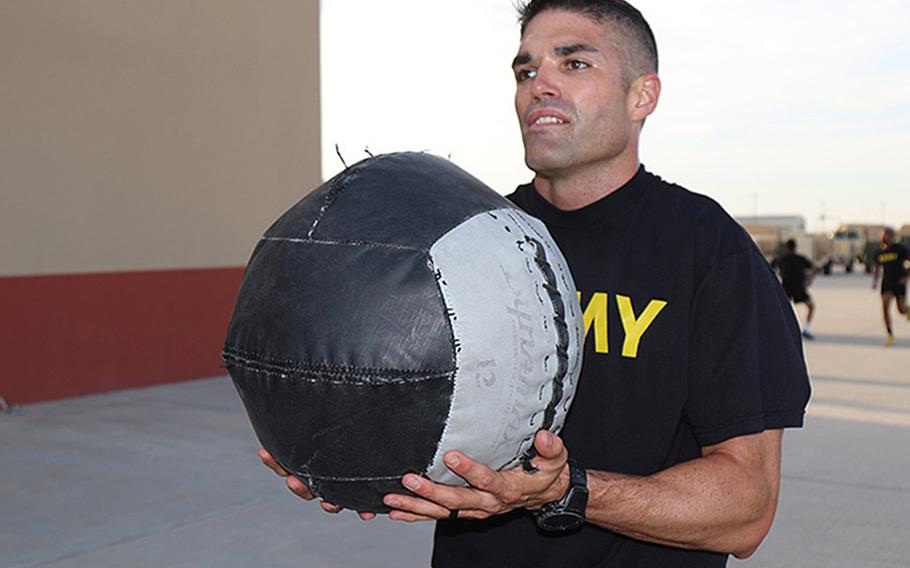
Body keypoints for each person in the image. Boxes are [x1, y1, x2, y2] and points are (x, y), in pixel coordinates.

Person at [260, 1, 811, 566]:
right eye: (526, 71)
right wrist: (335, 445)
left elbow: (745, 510)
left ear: (641, 95)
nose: (539, 84)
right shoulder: (462, 240)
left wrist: (568, 490)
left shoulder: (708, 250)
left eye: (573, 64)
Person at [871, 227, 910, 346]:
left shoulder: (900, 249)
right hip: (887, 282)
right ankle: (889, 334)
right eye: (882, 235)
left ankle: (907, 311)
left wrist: (907, 276)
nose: (883, 237)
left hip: (899, 282)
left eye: (886, 235)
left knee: (901, 309)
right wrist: (874, 281)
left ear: (892, 237)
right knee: (885, 306)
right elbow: (876, 267)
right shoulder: (879, 252)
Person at [774, 239, 817, 340]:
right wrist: (810, 280)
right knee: (811, 306)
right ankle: (806, 329)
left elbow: (775, 270)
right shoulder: (801, 258)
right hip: (799, 288)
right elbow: (814, 268)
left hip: (786, 287)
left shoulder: (782, 259)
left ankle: (783, 330)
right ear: (795, 248)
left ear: (786, 248)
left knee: (783, 310)